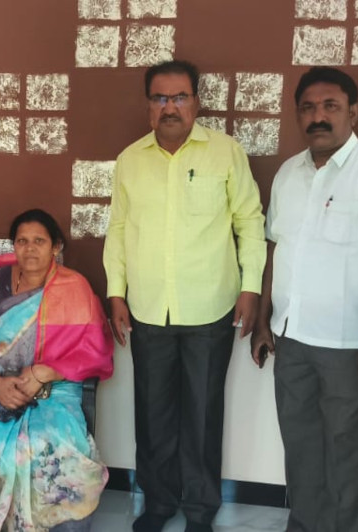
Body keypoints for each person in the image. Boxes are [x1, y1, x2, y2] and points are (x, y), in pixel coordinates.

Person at [104, 59, 267, 532]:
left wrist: (251, 288)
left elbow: (249, 222)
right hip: (148, 308)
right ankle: (157, 505)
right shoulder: (130, 160)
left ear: (196, 102)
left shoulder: (225, 153)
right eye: (160, 98)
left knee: (202, 416)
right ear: (148, 105)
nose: (170, 107)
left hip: (211, 307)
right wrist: (116, 293)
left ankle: (199, 511)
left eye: (179, 97)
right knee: (153, 416)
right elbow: (118, 230)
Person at [251, 67, 358, 532]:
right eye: (308, 108)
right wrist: (263, 321)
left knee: (348, 451)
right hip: (292, 337)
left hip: (352, 343)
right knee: (300, 445)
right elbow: (275, 249)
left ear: (353, 112)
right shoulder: (288, 173)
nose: (318, 116)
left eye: (330, 106)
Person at [0, 209, 114, 531]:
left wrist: (45, 373)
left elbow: (94, 351)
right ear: (13, 245)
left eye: (39, 241)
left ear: (56, 246)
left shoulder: (75, 288)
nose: (30, 249)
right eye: (22, 241)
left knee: (47, 444)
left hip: (54, 391)